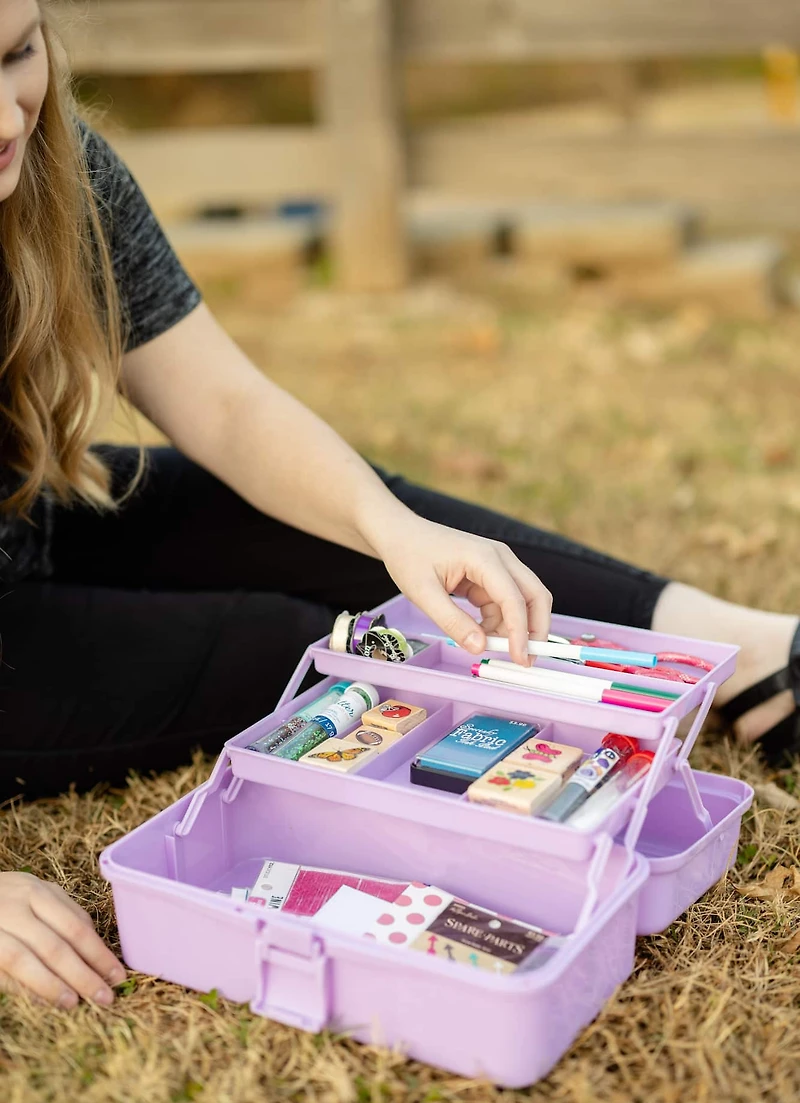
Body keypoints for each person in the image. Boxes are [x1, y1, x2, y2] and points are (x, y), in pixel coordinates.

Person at [0, 0, 797, 1009]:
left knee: (378, 529)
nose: (6, 114)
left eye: (19, 53)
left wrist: (393, 533)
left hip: (28, 504)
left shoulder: (61, 170)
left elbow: (228, 404)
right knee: (327, 658)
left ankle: (758, 654)